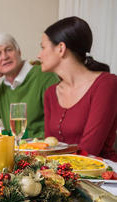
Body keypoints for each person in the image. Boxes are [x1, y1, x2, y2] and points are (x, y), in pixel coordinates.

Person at [39, 16, 117, 161]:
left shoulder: (106, 84)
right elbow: (49, 147)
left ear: (61, 48)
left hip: (103, 178)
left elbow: (90, 149)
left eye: (43, 47)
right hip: (66, 175)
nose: (39, 55)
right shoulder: (51, 93)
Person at [0, 33, 59, 139]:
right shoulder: (5, 86)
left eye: (9, 50)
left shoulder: (44, 76)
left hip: (43, 149)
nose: (4, 56)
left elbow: (59, 123)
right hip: (18, 150)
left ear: (19, 52)